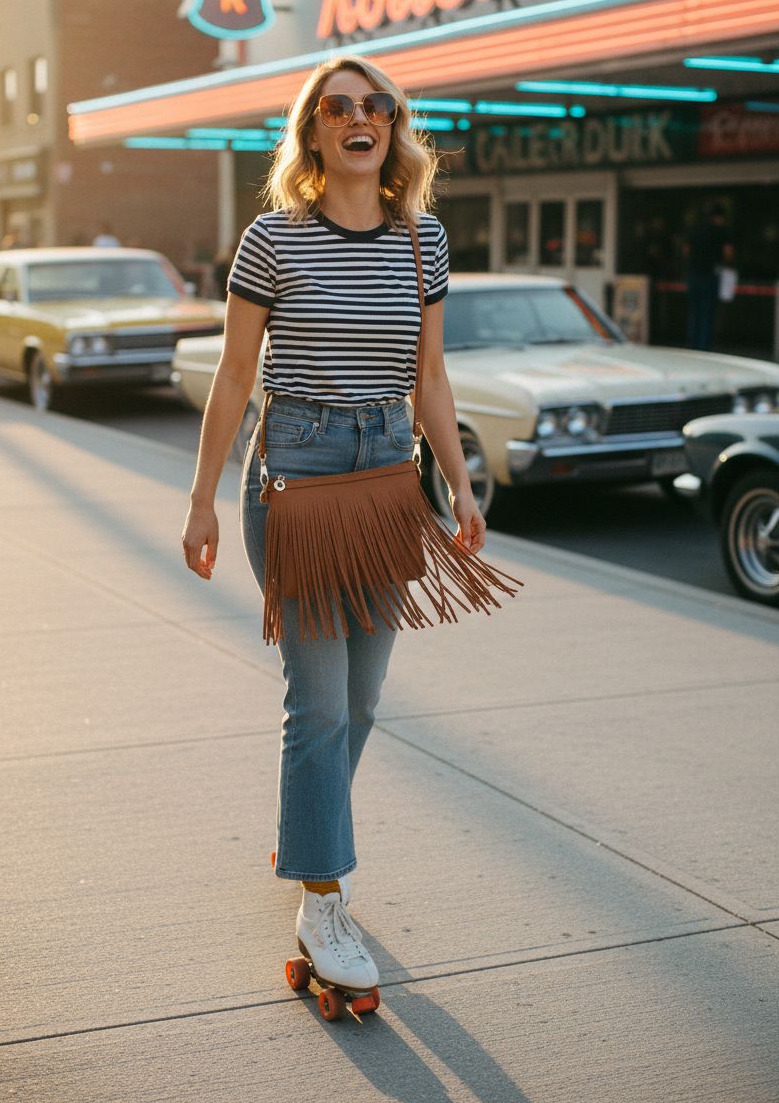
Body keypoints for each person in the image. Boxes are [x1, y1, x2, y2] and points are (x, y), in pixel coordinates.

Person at [181, 56, 486, 996]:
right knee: (317, 705)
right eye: (337, 106)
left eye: (376, 105)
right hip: (299, 478)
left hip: (389, 476)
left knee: (361, 702)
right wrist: (200, 498)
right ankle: (322, 899)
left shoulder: (423, 241)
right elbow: (235, 375)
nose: (360, 117)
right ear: (313, 132)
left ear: (394, 126)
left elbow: (430, 377)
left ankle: (309, 839)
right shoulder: (272, 240)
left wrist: (461, 486)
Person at [684, 202, 734, 350]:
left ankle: (692, 343)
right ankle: (703, 347)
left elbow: (686, 250)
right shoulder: (721, 232)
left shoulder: (695, 229)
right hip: (711, 275)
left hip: (693, 274)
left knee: (694, 311)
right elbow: (728, 252)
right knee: (708, 312)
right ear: (720, 217)